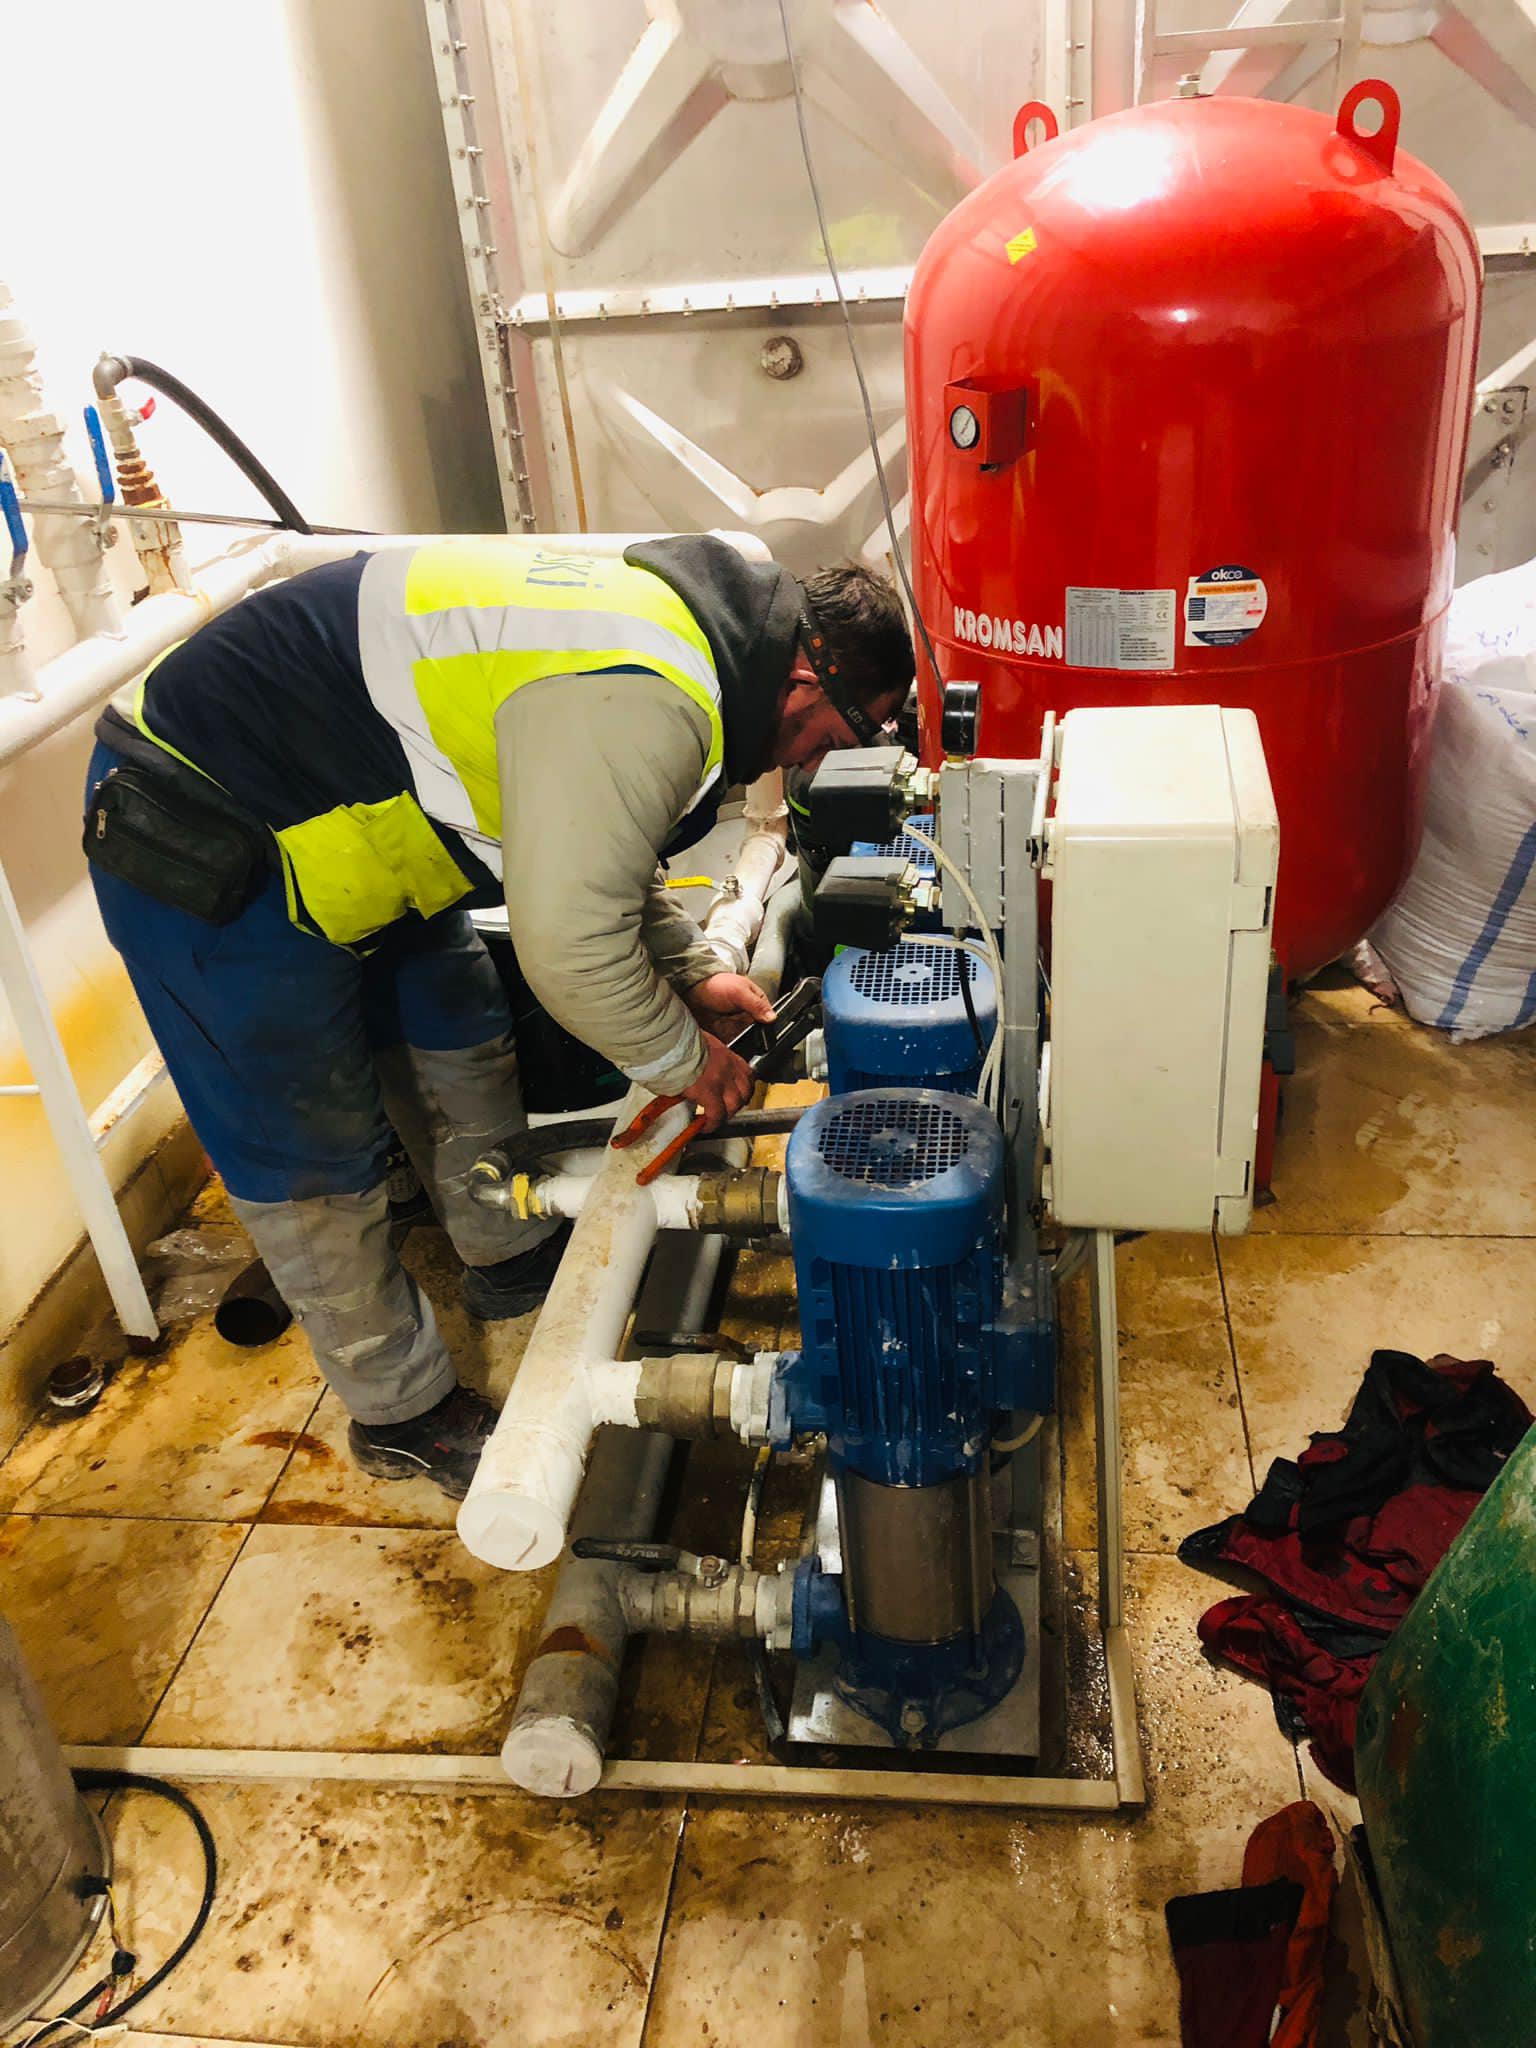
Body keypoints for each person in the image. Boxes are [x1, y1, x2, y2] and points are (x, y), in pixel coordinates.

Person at [83, 533, 912, 1497]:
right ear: (807, 677)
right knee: (310, 1148)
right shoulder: (658, 698)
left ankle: (507, 1252)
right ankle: (400, 1411)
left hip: (362, 817)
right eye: (839, 737)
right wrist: (687, 1062)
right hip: (214, 824)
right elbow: (574, 948)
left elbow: (586, 854)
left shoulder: (688, 646)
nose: (816, 761)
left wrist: (689, 971)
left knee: (461, 1026)